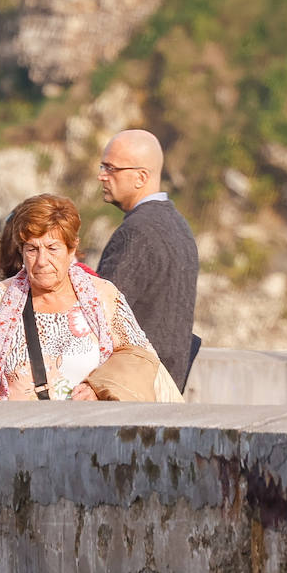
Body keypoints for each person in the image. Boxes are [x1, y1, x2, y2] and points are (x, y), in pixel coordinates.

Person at [0, 194, 156, 401]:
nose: (42, 261)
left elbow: (141, 360)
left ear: (71, 249)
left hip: (88, 431)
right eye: (32, 249)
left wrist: (98, 387)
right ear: (21, 251)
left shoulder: (103, 296)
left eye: (53, 248)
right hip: (13, 433)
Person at [96, 129, 200, 392]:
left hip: (135, 390)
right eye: (102, 166)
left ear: (141, 177)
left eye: (111, 168)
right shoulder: (178, 224)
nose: (102, 176)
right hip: (164, 386)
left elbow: (99, 315)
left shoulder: (137, 232)